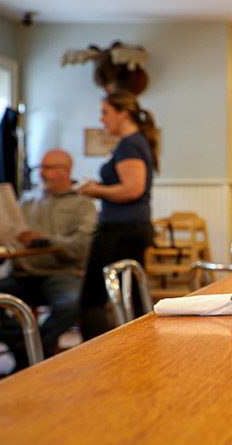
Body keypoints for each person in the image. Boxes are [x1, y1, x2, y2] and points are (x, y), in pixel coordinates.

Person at [0, 149, 97, 367]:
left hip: (62, 274)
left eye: (47, 168)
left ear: (65, 171)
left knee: (70, 304)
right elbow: (12, 235)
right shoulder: (27, 202)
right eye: (40, 168)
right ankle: (27, 346)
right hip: (23, 274)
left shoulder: (82, 205)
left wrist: (47, 241)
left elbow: (82, 246)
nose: (41, 173)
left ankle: (30, 349)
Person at [77, 90, 159, 340]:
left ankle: (100, 353)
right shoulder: (134, 142)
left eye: (105, 112)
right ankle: (136, 350)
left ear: (123, 113)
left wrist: (94, 189)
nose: (101, 119)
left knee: (92, 298)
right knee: (130, 297)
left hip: (120, 230)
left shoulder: (130, 143)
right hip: (129, 228)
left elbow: (133, 189)